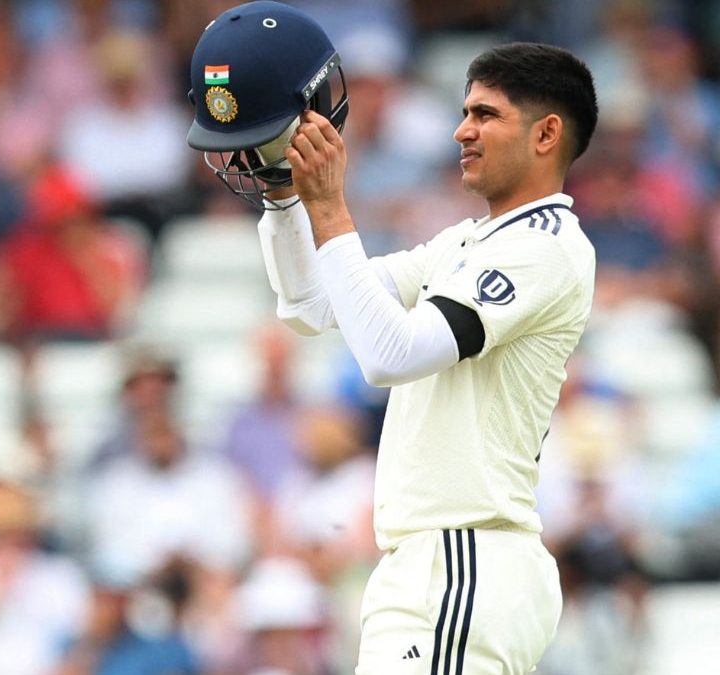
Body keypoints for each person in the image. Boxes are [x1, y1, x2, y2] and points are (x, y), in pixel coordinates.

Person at [186, 3, 598, 673]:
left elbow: (390, 354)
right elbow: (314, 303)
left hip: (463, 556)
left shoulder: (544, 247)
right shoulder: (465, 242)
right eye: (464, 111)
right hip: (436, 563)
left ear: (548, 133)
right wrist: (284, 196)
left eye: (486, 114)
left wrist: (330, 208)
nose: (462, 131)